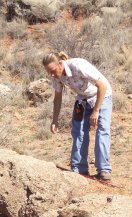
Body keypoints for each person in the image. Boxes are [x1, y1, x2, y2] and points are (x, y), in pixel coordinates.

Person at [42, 52, 112, 180]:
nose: (51, 74)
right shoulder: (56, 75)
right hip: (83, 99)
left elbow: (102, 85)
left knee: (102, 130)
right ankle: (79, 169)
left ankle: (103, 170)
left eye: (52, 70)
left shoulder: (78, 65)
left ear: (60, 63)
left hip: (101, 96)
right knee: (78, 131)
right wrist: (54, 120)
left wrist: (96, 110)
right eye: (48, 72)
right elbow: (58, 98)